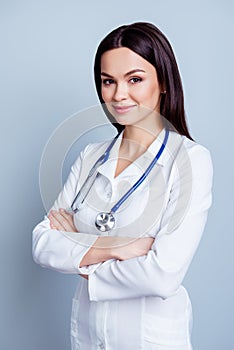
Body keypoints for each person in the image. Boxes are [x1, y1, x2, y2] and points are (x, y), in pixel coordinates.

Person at [32, 22, 213, 350]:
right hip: (88, 336)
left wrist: (83, 259)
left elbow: (162, 275)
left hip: (150, 338)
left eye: (135, 79)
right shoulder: (91, 157)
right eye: (108, 81)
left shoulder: (189, 161)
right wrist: (113, 247)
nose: (118, 95)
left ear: (163, 84)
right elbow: (43, 243)